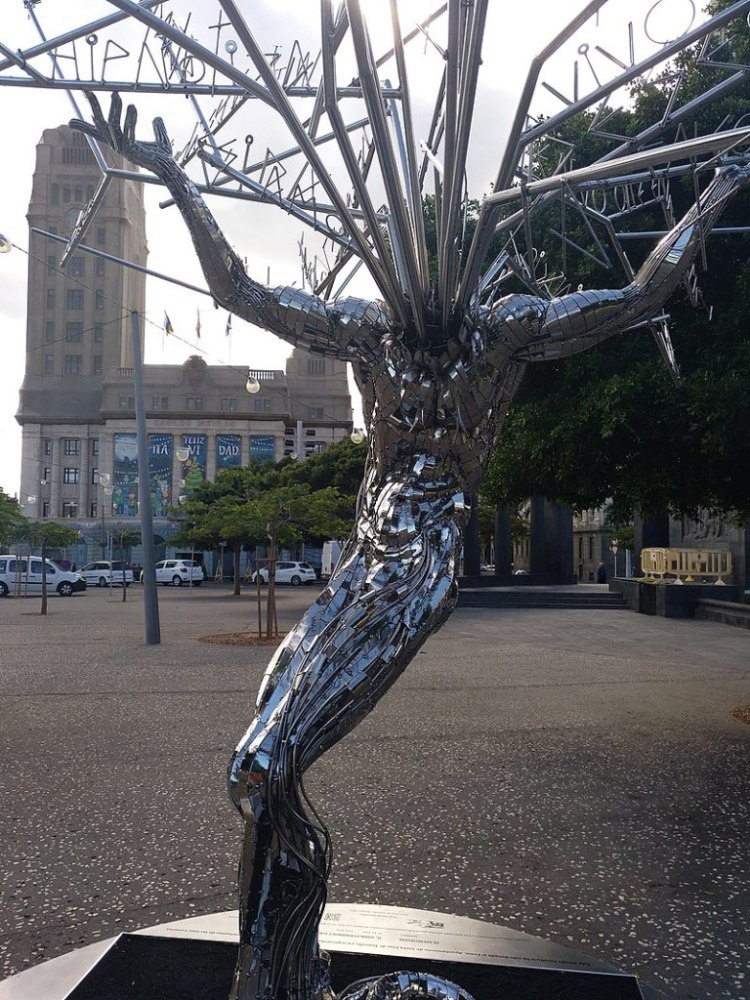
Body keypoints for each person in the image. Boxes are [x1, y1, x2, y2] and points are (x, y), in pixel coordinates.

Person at [72, 94, 750, 1000]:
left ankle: (281, 961)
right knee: (264, 764)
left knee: (262, 766)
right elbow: (241, 293)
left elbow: (636, 296)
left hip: (418, 566)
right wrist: (178, 182)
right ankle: (276, 974)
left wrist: (713, 195)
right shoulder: (370, 329)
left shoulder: (505, 330)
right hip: (364, 561)